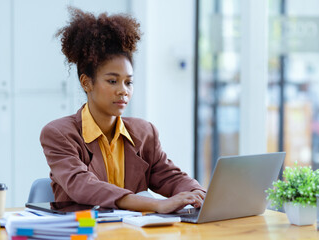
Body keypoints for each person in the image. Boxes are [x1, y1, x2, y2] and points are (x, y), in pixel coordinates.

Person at [40, 7, 205, 213]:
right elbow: (83, 186)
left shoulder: (144, 133)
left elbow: (170, 177)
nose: (123, 91)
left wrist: (199, 195)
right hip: (85, 231)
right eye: (112, 81)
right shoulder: (60, 134)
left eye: (128, 82)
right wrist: (156, 204)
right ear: (86, 83)